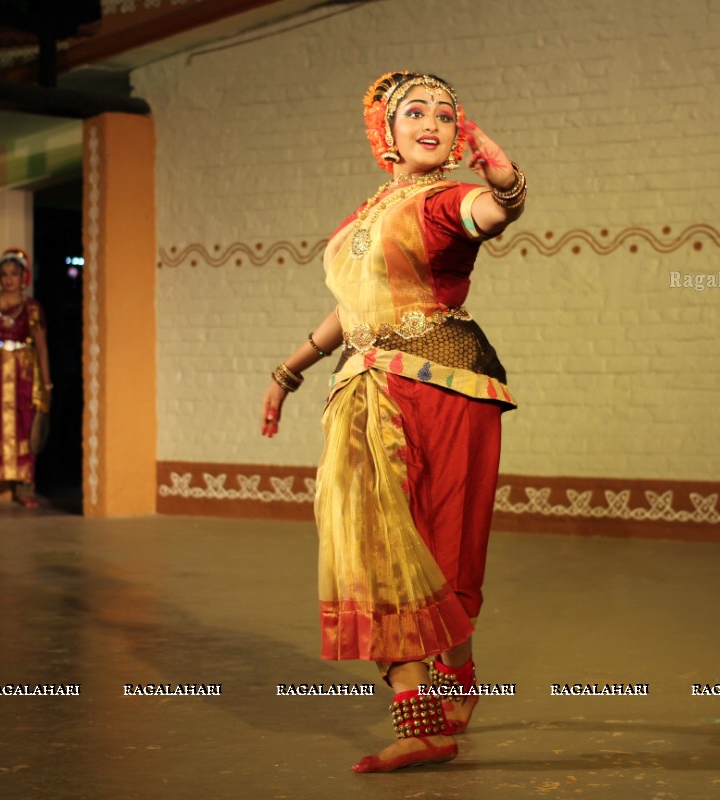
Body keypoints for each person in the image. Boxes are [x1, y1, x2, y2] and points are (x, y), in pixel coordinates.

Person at [260, 71, 526, 773]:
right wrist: (289, 368)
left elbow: (489, 216)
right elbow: (352, 308)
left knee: (440, 553)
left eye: (445, 113)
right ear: (387, 132)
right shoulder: (365, 216)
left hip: (447, 386)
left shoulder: (445, 201)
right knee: (370, 547)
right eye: (416, 112)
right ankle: (418, 720)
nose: (432, 122)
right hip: (365, 390)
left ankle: (458, 675)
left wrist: (504, 184)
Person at [0, 248, 51, 508]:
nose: (9, 279)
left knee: (24, 425)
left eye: (14, 274)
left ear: (23, 277)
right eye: (4, 274)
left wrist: (47, 384)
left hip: (24, 375)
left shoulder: (32, 308)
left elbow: (41, 347)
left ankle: (25, 488)